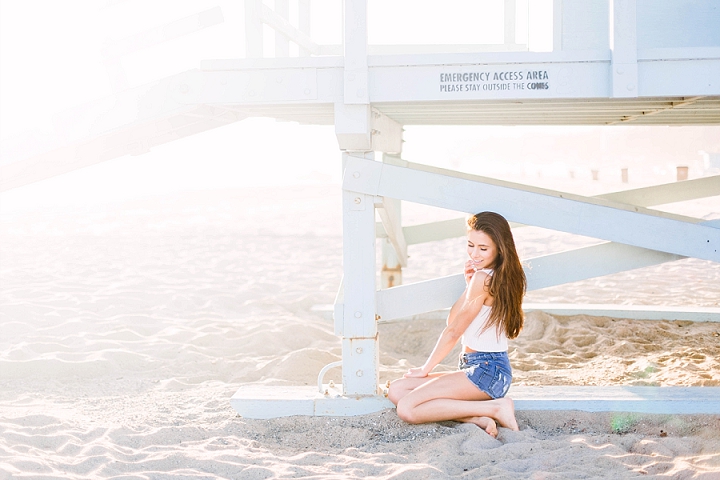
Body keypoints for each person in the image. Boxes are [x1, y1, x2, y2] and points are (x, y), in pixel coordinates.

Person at [387, 211, 526, 437]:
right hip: (485, 370)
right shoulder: (493, 276)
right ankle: (476, 417)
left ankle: (496, 408)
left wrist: (426, 369)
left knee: (407, 408)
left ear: (499, 248)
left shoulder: (485, 279)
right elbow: (454, 318)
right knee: (397, 390)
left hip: (486, 370)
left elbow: (453, 332)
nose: (474, 253)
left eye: (483, 248)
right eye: (471, 245)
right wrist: (468, 284)